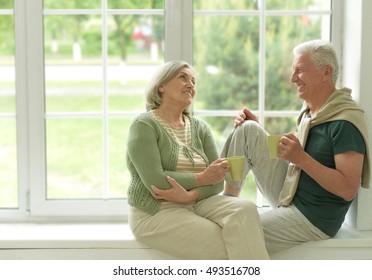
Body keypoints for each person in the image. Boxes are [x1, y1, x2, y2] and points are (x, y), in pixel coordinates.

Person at [221, 39, 370, 256]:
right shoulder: (311, 112)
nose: (293, 79)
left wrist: (301, 158)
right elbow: (299, 157)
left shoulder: (344, 122)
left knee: (238, 232)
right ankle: (227, 202)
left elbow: (348, 189)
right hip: (291, 191)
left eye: (299, 70)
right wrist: (258, 135)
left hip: (312, 217)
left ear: (326, 72)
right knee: (248, 129)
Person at [126, 61, 269, 260]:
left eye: (193, 81)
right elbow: (156, 182)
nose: (191, 84)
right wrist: (202, 178)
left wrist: (189, 196)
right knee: (230, 243)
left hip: (197, 202)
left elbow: (218, 180)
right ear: (161, 86)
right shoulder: (144, 125)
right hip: (156, 212)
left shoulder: (200, 128)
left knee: (246, 209)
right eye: (183, 78)